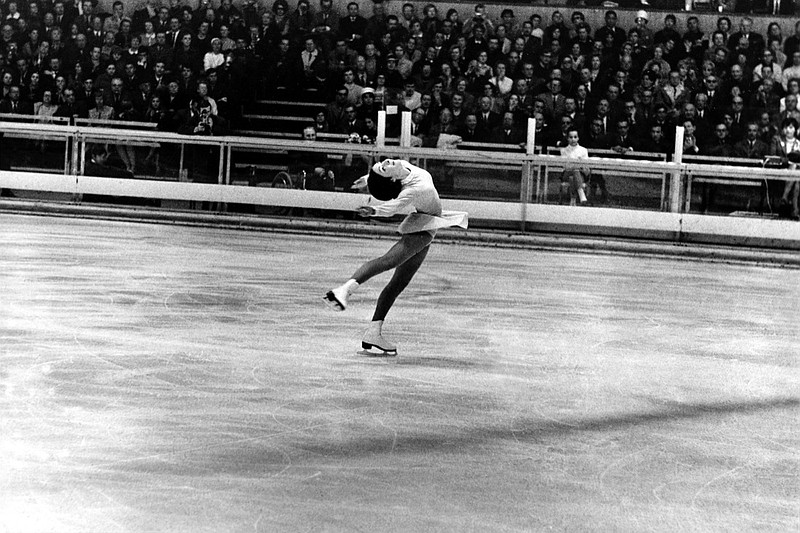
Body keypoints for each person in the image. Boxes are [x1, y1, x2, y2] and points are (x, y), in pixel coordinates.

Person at [324, 159, 468, 355]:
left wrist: (369, 179)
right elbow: (393, 207)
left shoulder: (400, 166)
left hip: (428, 225)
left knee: (398, 284)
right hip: (422, 228)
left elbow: (385, 178)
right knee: (389, 261)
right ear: (392, 178)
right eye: (384, 168)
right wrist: (373, 210)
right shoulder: (415, 188)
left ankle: (374, 332)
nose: (386, 161)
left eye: (381, 164)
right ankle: (344, 290)